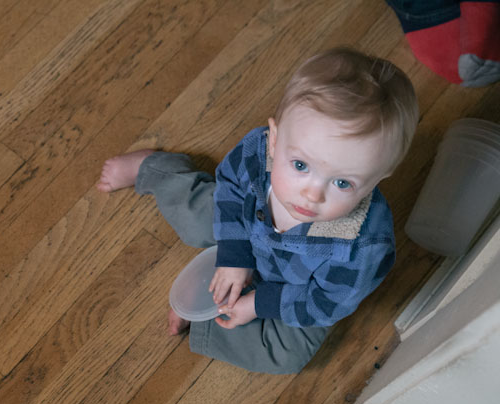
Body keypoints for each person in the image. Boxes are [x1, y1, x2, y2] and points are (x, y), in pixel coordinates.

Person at [96, 47, 419, 374]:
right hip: (245, 227)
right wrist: (235, 256)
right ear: (275, 140)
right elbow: (230, 189)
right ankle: (156, 170)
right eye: (299, 165)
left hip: (295, 286)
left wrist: (256, 304)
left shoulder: (361, 249)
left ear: (377, 180)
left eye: (342, 183)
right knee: (197, 216)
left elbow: (324, 304)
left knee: (287, 355)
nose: (311, 194)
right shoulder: (257, 152)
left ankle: (209, 310)